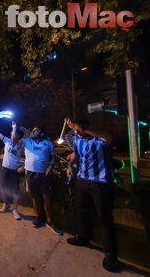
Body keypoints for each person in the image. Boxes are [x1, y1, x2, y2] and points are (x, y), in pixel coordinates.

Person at [65, 117, 120, 273]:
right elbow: (75, 154)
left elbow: (108, 136)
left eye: (77, 129)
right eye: (74, 130)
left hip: (101, 184)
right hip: (82, 180)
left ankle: (110, 254)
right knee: (82, 212)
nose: (75, 132)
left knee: (105, 218)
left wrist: (82, 128)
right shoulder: (77, 139)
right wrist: (69, 166)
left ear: (86, 128)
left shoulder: (100, 140)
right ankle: (83, 237)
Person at [21, 124, 62, 235]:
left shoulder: (48, 144)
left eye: (36, 130)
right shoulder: (27, 142)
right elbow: (14, 141)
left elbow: (54, 157)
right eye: (32, 130)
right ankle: (39, 217)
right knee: (35, 196)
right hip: (30, 173)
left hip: (44, 175)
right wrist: (14, 128)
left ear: (42, 133)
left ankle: (50, 221)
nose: (33, 131)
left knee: (47, 197)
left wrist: (50, 167)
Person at [0, 119, 24, 220]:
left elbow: (27, 156)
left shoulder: (21, 145)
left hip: (14, 171)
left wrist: (23, 166)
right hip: (5, 169)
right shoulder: (7, 141)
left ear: (18, 136)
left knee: (15, 191)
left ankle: (15, 209)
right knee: (2, 187)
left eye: (13, 134)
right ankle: (6, 204)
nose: (11, 135)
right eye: (11, 133)